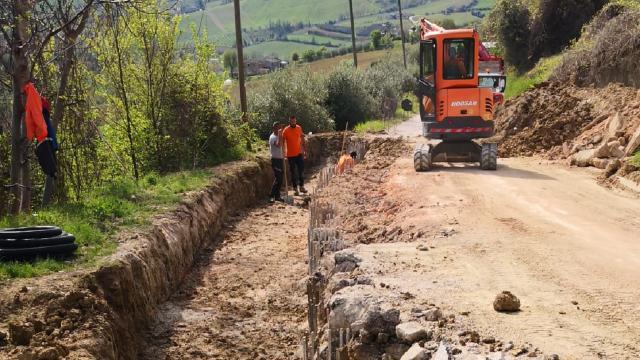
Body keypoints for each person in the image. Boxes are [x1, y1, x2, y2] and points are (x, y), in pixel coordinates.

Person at [282, 115, 307, 195]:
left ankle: (301, 186)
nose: (293, 122)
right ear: (289, 121)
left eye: (294, 121)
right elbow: (282, 141)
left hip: (299, 153)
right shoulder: (286, 130)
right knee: (293, 172)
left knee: (301, 170)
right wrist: (283, 152)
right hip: (290, 155)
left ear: (296, 121)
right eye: (292, 121)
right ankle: (295, 188)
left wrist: (304, 150)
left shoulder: (299, 128)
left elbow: (302, 138)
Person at [269, 122, 284, 203]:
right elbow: (278, 145)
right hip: (275, 160)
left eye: (280, 128)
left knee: (280, 179)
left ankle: (277, 196)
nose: (279, 129)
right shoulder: (273, 137)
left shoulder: (279, 136)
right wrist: (280, 135)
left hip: (280, 159)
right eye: (277, 128)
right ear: (274, 128)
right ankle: (271, 196)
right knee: (278, 178)